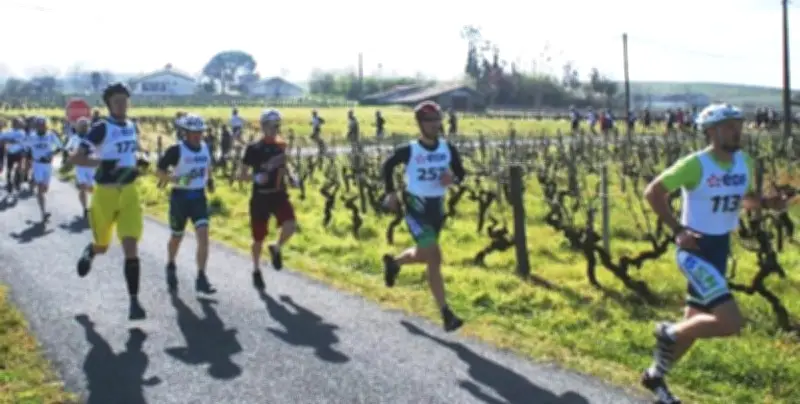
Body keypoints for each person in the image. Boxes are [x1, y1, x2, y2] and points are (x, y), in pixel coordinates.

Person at [641, 103, 789, 404]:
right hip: (695, 250)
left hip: (720, 249)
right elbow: (653, 192)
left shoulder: (743, 162)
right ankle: (666, 331)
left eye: (739, 125)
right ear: (711, 131)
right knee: (730, 322)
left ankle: (655, 377)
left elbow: (744, 200)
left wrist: (767, 203)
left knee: (693, 324)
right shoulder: (696, 164)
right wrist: (677, 229)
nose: (737, 131)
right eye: (729, 126)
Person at [380, 101, 466, 332]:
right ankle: (446, 313)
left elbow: (461, 173)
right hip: (416, 209)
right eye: (429, 120)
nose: (435, 124)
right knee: (434, 257)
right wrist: (390, 193)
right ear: (420, 124)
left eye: (437, 119)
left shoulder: (447, 149)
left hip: (437, 209)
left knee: (423, 254)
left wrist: (454, 180)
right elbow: (387, 166)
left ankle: (394, 263)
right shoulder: (410, 149)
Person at [69, 82, 146, 320]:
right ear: (109, 105)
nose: (122, 105)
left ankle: (134, 301)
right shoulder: (101, 128)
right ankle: (91, 251)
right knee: (103, 245)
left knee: (131, 246)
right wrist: (101, 164)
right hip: (105, 194)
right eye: (116, 101)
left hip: (130, 193)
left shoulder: (133, 126)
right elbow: (76, 158)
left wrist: (140, 163)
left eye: (125, 100)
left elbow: (133, 153)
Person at [156, 113, 215, 294]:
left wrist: (210, 180)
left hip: (198, 197)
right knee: (177, 237)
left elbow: (207, 166)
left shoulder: (205, 147)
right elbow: (158, 171)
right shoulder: (176, 150)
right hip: (180, 199)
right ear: (185, 133)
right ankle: (171, 264)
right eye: (193, 132)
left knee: (203, 236)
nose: (198, 136)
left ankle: (201, 277)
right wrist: (177, 180)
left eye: (200, 132)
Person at [239, 109, 298, 289]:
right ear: (263, 126)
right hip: (260, 197)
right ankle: (256, 269)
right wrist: (255, 178)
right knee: (258, 238)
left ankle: (277, 247)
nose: (275, 129)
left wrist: (293, 177)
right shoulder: (253, 149)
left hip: (279, 194)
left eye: (277, 126)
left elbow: (285, 166)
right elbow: (240, 175)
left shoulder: (282, 145)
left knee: (291, 225)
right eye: (271, 126)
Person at [26, 116, 63, 222]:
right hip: (37, 164)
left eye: (43, 125)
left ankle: (33, 180)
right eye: (39, 125)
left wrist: (52, 154)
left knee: (45, 189)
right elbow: (26, 148)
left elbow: (60, 147)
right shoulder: (32, 136)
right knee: (40, 189)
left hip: (48, 165)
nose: (41, 127)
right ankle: (43, 212)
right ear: (36, 126)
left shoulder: (51, 135)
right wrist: (29, 160)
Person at [66, 117, 95, 218]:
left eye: (85, 126)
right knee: (82, 187)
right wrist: (72, 155)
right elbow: (68, 150)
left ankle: (94, 206)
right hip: (80, 167)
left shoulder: (93, 138)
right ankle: (85, 208)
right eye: (81, 126)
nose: (84, 128)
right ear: (77, 127)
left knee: (92, 189)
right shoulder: (74, 138)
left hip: (91, 166)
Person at [0, 118, 27, 194]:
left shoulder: (22, 132)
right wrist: (6, 141)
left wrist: (9, 140)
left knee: (19, 168)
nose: (21, 124)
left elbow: (22, 141)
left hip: (19, 152)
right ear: (14, 123)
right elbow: (2, 139)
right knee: (9, 169)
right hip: (10, 153)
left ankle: (17, 183)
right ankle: (9, 183)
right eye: (19, 123)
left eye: (20, 123)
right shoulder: (8, 132)